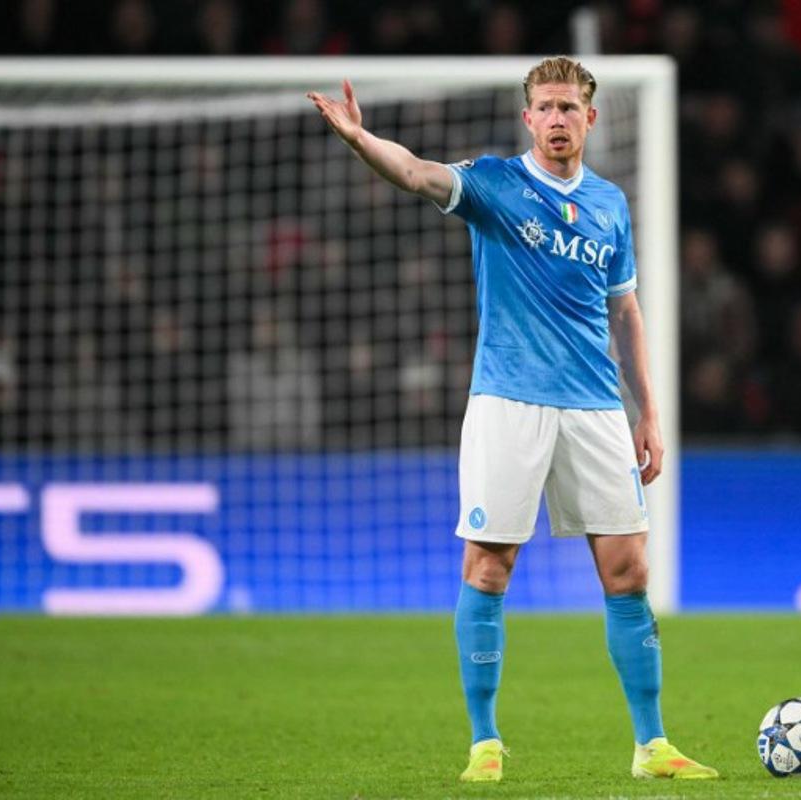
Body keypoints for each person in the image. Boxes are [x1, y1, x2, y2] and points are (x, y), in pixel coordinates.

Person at [308, 57, 717, 783]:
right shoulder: (496, 185)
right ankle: (485, 742)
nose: (558, 119)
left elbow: (625, 312)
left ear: (590, 119)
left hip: (595, 408)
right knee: (490, 566)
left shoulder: (609, 206)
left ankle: (652, 745)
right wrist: (361, 142)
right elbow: (417, 174)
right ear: (528, 118)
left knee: (628, 571)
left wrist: (647, 413)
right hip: (508, 401)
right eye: (546, 107)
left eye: (569, 107)